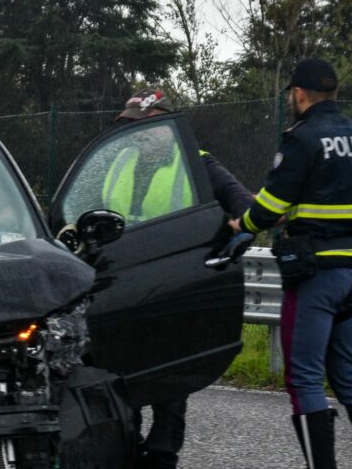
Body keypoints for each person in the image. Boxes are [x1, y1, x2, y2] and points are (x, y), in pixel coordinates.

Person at [231, 58, 352, 469]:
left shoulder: (303, 137)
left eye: (291, 94)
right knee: (350, 377)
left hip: (318, 274)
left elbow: (270, 205)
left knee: (303, 379)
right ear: (334, 93)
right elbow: (336, 197)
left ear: (299, 94)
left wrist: (242, 223)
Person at [109, 89, 252, 468]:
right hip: (122, 286)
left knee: (169, 380)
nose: (134, 133)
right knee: (122, 377)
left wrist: (234, 235)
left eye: (140, 124)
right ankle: (125, 445)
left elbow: (244, 208)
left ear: (163, 122)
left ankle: (161, 455)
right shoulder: (121, 160)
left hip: (173, 287)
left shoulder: (197, 164)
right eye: (129, 125)